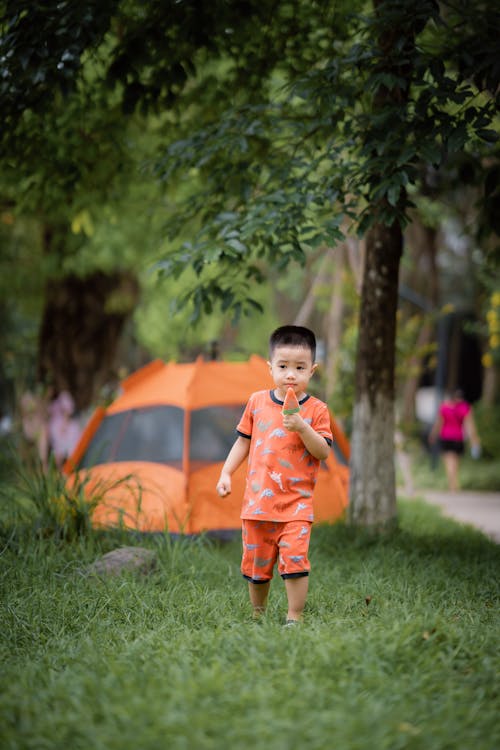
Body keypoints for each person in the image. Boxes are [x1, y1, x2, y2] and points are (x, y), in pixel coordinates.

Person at [216, 325, 332, 626]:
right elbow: (243, 441)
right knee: (257, 567)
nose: (290, 374)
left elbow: (323, 452)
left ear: (312, 370)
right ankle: (259, 614)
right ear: (270, 368)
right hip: (257, 505)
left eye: (299, 367)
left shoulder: (318, 410)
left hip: (296, 505)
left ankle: (294, 617)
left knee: (295, 562)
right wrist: (227, 472)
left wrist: (302, 427)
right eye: (283, 366)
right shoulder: (256, 402)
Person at [428, 389, 480, 491]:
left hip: (446, 436)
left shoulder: (444, 407)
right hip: (458, 438)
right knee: (455, 461)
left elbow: (439, 423)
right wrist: (474, 439)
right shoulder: (465, 408)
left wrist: (433, 435)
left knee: (448, 461)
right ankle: (454, 483)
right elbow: (470, 425)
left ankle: (452, 484)